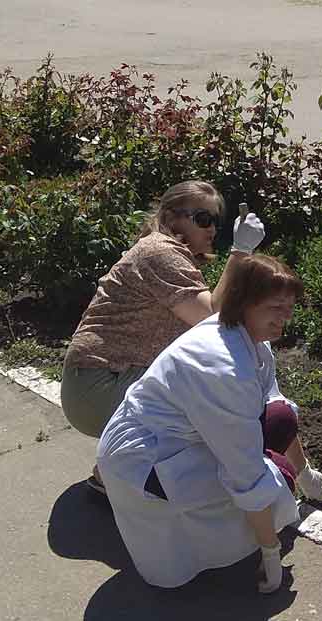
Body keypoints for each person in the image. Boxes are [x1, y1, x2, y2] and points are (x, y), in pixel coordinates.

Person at [96, 255, 322, 592]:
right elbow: (245, 473)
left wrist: (307, 474)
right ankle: (201, 548)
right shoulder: (221, 367)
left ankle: (221, 526)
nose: (285, 318)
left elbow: (274, 409)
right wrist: (271, 552)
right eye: (276, 307)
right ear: (244, 302)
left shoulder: (246, 336)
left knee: (279, 419)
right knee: (275, 476)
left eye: (289, 307)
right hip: (141, 460)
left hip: (173, 437)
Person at [61, 180, 265, 493]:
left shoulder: (168, 253)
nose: (212, 229)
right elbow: (211, 317)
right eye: (203, 219)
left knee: (195, 377)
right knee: (203, 395)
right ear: (171, 218)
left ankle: (112, 473)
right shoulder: (160, 253)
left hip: (100, 382)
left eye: (215, 221)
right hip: (97, 388)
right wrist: (240, 252)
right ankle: (130, 476)